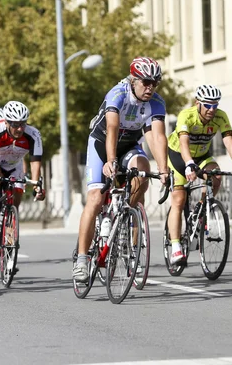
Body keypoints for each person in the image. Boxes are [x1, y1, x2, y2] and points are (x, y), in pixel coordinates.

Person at [72, 56, 170, 282]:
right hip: (102, 143)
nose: (150, 88)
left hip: (129, 146)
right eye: (145, 82)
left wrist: (164, 169)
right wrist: (111, 160)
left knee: (143, 170)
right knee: (96, 198)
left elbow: (156, 136)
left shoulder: (156, 102)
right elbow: (112, 127)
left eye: (154, 83)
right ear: (134, 80)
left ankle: (126, 215)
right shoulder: (118, 94)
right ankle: (82, 258)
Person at [166, 84, 232, 265]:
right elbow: (184, 143)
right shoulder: (186, 116)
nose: (212, 109)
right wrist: (188, 165)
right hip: (179, 156)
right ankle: (176, 247)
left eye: (215, 105)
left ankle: (201, 209)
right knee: (178, 199)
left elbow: (229, 142)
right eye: (208, 105)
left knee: (216, 175)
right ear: (198, 103)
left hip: (202, 156)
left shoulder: (220, 117)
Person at [0, 101, 45, 236]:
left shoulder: (34, 134)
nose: (19, 129)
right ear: (6, 122)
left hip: (15, 165)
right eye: (15, 124)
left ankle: (8, 235)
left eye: (23, 124)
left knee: (16, 199)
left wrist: (37, 185)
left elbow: (35, 161)